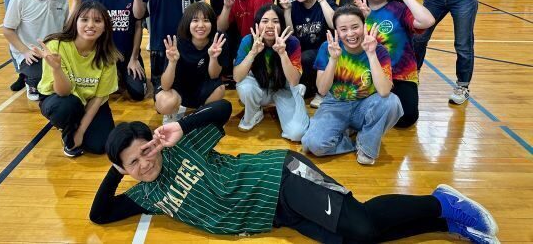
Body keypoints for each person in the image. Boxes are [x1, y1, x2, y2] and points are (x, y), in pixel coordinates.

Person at [91, 98, 500, 244]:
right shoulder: (144, 194)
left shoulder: (179, 150)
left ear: (154, 142)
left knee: (362, 226)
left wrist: (183, 125)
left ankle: (440, 202)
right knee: (355, 239)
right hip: (273, 215)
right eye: (133, 162)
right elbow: (100, 215)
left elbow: (223, 109)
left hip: (280, 178)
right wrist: (115, 169)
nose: (145, 163)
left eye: (145, 151)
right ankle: (446, 223)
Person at [301, 5, 404, 165]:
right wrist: (333, 59)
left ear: (364, 25)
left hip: (365, 104)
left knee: (392, 102)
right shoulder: (328, 48)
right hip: (335, 104)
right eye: (343, 29)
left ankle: (366, 146)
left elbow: (384, 91)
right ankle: (352, 137)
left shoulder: (379, 50)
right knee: (312, 145)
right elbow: (322, 89)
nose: (350, 34)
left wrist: (371, 54)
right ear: (336, 30)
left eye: (355, 27)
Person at [35, 0, 120, 157]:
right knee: (66, 107)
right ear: (75, 22)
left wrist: (81, 131)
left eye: (97, 21)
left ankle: (76, 125)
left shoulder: (108, 56)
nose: (90, 25)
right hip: (61, 98)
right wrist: (57, 68)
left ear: (105, 27)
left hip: (89, 102)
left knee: (100, 146)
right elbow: (63, 92)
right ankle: (67, 129)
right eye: (84, 19)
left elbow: (98, 98)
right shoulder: (56, 46)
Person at [355, 0, 435, 127]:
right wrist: (364, 19)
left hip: (400, 74)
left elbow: (427, 21)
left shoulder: (399, 9)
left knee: (407, 118)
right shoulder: (356, 13)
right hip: (369, 74)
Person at [71, 0, 146, 101]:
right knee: (91, 92)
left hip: (126, 56)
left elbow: (138, 24)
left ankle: (121, 76)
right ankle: (115, 77)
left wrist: (134, 58)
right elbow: (72, 26)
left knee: (138, 93)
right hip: (100, 55)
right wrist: (77, 1)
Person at [233, 5, 309, 140]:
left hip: (284, 88)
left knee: (297, 133)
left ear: (282, 24)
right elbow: (237, 77)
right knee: (245, 87)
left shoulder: (292, 43)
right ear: (257, 24)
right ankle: (254, 113)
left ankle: (297, 94)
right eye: (265, 21)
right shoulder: (248, 40)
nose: (270, 26)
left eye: (275, 21)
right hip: (260, 86)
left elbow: (294, 81)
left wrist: (283, 53)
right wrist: (253, 53)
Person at [2, 0, 70, 101]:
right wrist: (25, 51)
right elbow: (7, 30)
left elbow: (66, 27)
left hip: (54, 51)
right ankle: (29, 79)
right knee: (42, 84)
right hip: (31, 53)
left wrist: (78, 0)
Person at [155, 2, 227, 124]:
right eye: (195, 20)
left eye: (206, 20)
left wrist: (213, 57)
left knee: (220, 89)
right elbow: (166, 86)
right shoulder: (177, 44)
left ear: (212, 23)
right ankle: (173, 111)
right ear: (187, 23)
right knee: (165, 103)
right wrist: (172, 62)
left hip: (201, 86)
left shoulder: (218, 41)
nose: (201, 25)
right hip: (177, 87)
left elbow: (214, 76)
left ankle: (199, 114)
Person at [276, 0, 336, 108]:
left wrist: (321, 0)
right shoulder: (293, 7)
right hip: (302, 55)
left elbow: (334, 24)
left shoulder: (325, 3)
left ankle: (321, 92)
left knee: (307, 56)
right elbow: (290, 35)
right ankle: (306, 88)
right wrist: (287, 10)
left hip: (325, 53)